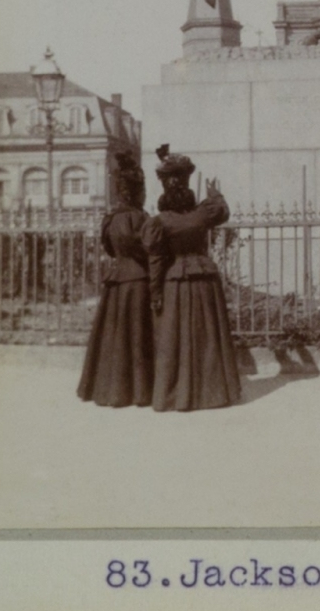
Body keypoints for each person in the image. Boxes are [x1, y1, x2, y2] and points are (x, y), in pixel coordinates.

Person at [141, 145, 241, 412]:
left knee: (174, 337)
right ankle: (213, 393)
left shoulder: (159, 222)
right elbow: (222, 209)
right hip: (205, 279)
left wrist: (155, 292)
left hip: (174, 281)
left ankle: (177, 395)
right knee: (208, 335)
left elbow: (156, 260)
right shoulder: (202, 214)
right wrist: (214, 192)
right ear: (187, 187)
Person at [77, 152, 154, 408]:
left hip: (116, 280)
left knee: (116, 337)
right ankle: (141, 391)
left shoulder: (110, 220)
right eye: (142, 190)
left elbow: (110, 249)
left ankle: (113, 390)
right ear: (137, 192)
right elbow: (148, 250)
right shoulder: (140, 219)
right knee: (137, 336)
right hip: (139, 280)